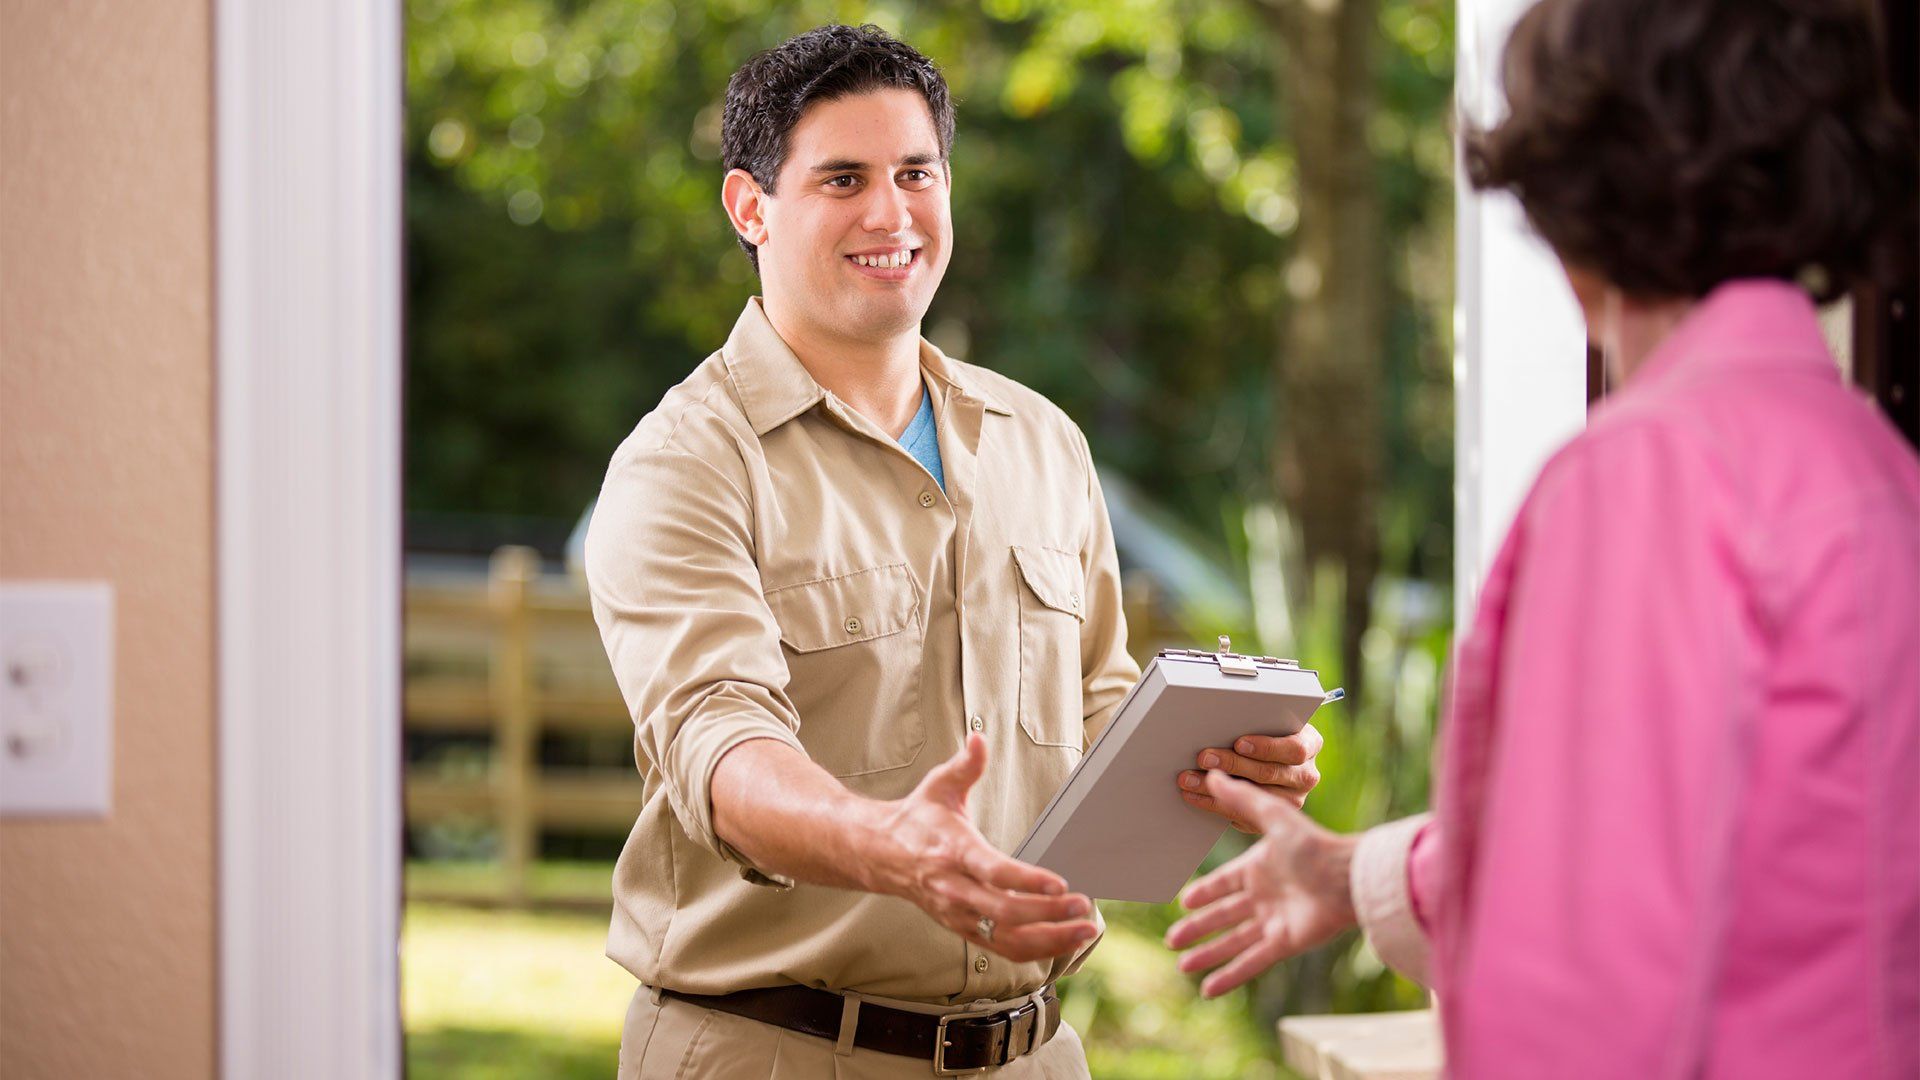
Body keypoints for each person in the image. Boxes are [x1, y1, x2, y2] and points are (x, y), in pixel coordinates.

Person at [1165, 1, 1920, 1076]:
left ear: (1573, 183)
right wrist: (1352, 875)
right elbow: (1759, 850)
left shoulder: (1649, 475)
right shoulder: (1872, 462)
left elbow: (1585, 976)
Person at [584, 25, 1325, 1078]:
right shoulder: (686, 466)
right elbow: (721, 750)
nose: (890, 214)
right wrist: (892, 849)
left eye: (915, 173)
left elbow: (1096, 703)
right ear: (751, 207)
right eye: (842, 178)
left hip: (1036, 1054)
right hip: (778, 1053)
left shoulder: (1042, 442)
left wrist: (1215, 759)